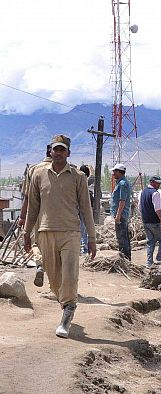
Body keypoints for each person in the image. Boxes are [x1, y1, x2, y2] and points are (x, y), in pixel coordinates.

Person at [23, 134, 96, 338]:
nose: (58, 153)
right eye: (55, 149)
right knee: (55, 282)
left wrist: (91, 238)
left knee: (70, 276)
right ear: (50, 151)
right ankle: (65, 303)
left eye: (62, 149)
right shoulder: (38, 174)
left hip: (71, 233)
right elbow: (33, 207)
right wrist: (27, 233)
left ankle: (68, 311)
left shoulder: (78, 177)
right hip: (45, 232)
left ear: (68, 153)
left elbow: (86, 210)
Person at [18, 143, 54, 287]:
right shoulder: (65, 169)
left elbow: (27, 197)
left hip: (37, 214)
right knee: (56, 246)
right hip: (58, 215)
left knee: (36, 243)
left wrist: (22, 216)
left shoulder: (33, 169)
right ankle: (55, 283)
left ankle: (40, 265)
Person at [139, 175, 161, 266]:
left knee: (150, 241)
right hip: (155, 222)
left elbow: (140, 207)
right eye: (158, 183)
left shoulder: (143, 192)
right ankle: (159, 260)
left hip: (146, 221)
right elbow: (157, 209)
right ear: (152, 182)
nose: (159, 185)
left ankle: (149, 263)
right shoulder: (155, 193)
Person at [110, 163, 131, 260]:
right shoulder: (120, 183)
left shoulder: (122, 184)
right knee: (123, 238)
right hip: (121, 215)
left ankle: (125, 259)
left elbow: (122, 201)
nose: (113, 173)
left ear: (119, 172)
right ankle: (126, 258)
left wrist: (118, 215)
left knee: (122, 238)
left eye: (114, 171)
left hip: (121, 216)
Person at [78, 165, 92, 254]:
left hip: (77, 209)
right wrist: (91, 169)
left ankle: (81, 248)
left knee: (81, 228)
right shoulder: (84, 180)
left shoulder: (77, 180)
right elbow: (92, 178)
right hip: (83, 209)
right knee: (84, 229)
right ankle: (84, 248)